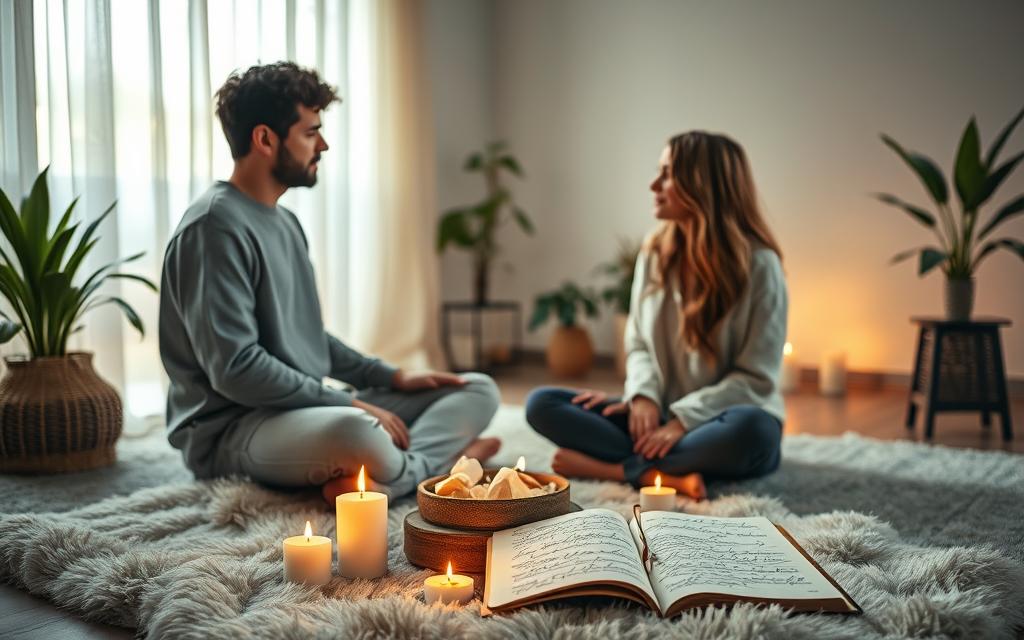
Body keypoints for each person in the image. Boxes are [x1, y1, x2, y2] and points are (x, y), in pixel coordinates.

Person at [159, 62, 500, 504]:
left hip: (297, 409)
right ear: (265, 139)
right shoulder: (213, 228)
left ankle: (404, 475)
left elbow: (307, 338)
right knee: (358, 432)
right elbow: (236, 369)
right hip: (234, 429)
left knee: (476, 388)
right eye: (309, 132)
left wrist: (394, 376)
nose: (323, 144)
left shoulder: (285, 223)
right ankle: (448, 465)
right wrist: (347, 404)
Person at [526, 131, 787, 499]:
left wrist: (682, 421)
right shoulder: (654, 253)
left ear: (702, 185)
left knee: (754, 431)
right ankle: (672, 469)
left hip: (723, 420)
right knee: (542, 404)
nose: (654, 185)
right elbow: (637, 343)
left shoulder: (762, 266)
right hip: (660, 417)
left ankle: (618, 470)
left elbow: (755, 378)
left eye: (667, 174)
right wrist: (642, 397)